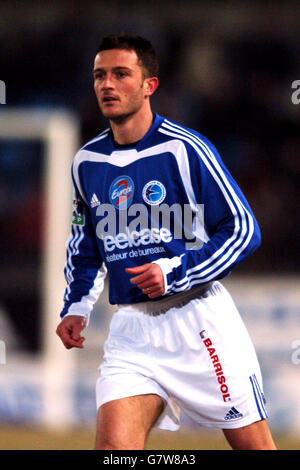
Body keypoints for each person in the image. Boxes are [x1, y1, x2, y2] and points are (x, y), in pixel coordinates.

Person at [56, 34, 276, 450]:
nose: (107, 85)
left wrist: (174, 273)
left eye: (121, 74)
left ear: (148, 86)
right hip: (131, 331)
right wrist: (77, 307)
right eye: (99, 75)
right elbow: (85, 243)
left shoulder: (185, 149)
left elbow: (244, 229)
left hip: (198, 322)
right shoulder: (87, 161)